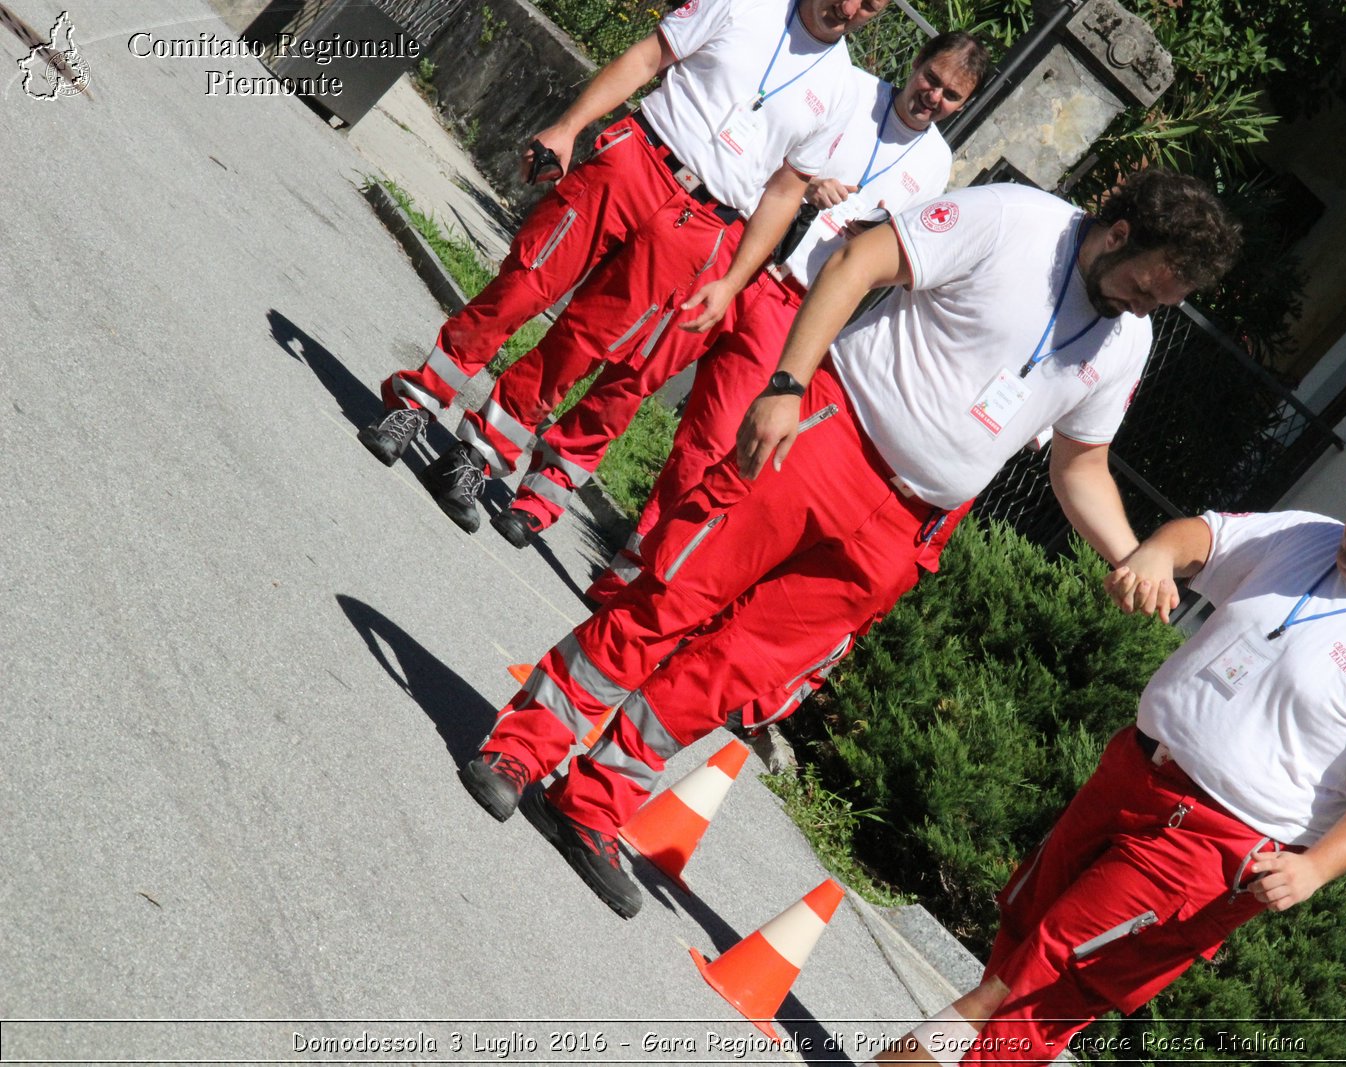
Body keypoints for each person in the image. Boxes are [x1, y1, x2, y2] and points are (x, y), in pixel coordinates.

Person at [457, 169, 1242, 919]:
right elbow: (860, 259)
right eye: (1144, 287)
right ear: (1120, 234)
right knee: (671, 595)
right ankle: (520, 749)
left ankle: (595, 799)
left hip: (905, 527)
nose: (1141, 308)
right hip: (828, 435)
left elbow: (1081, 463)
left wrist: (1131, 551)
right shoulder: (1015, 220)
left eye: (1162, 302)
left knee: (740, 667)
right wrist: (788, 384)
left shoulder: (1125, 341)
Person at [872, 450, 1346, 1066]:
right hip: (1135, 770)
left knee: (1045, 978)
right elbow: (1206, 537)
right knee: (1024, 930)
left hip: (1213, 845)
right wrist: (1158, 553)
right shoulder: (1304, 536)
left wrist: (1315, 868)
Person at [356, 0, 891, 532]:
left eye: (868, 5)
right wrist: (568, 128)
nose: (847, 8)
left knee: (582, 346)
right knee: (524, 285)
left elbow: (781, 194)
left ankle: (475, 456)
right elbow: (647, 58)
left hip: (701, 223)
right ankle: (416, 401)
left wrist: (731, 283)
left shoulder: (842, 90)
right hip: (638, 163)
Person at [488, 33, 990, 557]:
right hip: (740, 261)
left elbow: (899, 256)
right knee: (633, 374)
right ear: (916, 63)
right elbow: (775, 158)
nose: (934, 96)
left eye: (951, 94)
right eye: (932, 78)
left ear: (963, 104)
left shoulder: (935, 164)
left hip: (794, 306)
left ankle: (638, 561)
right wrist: (810, 188)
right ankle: (541, 497)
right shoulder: (851, 91)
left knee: (711, 440)